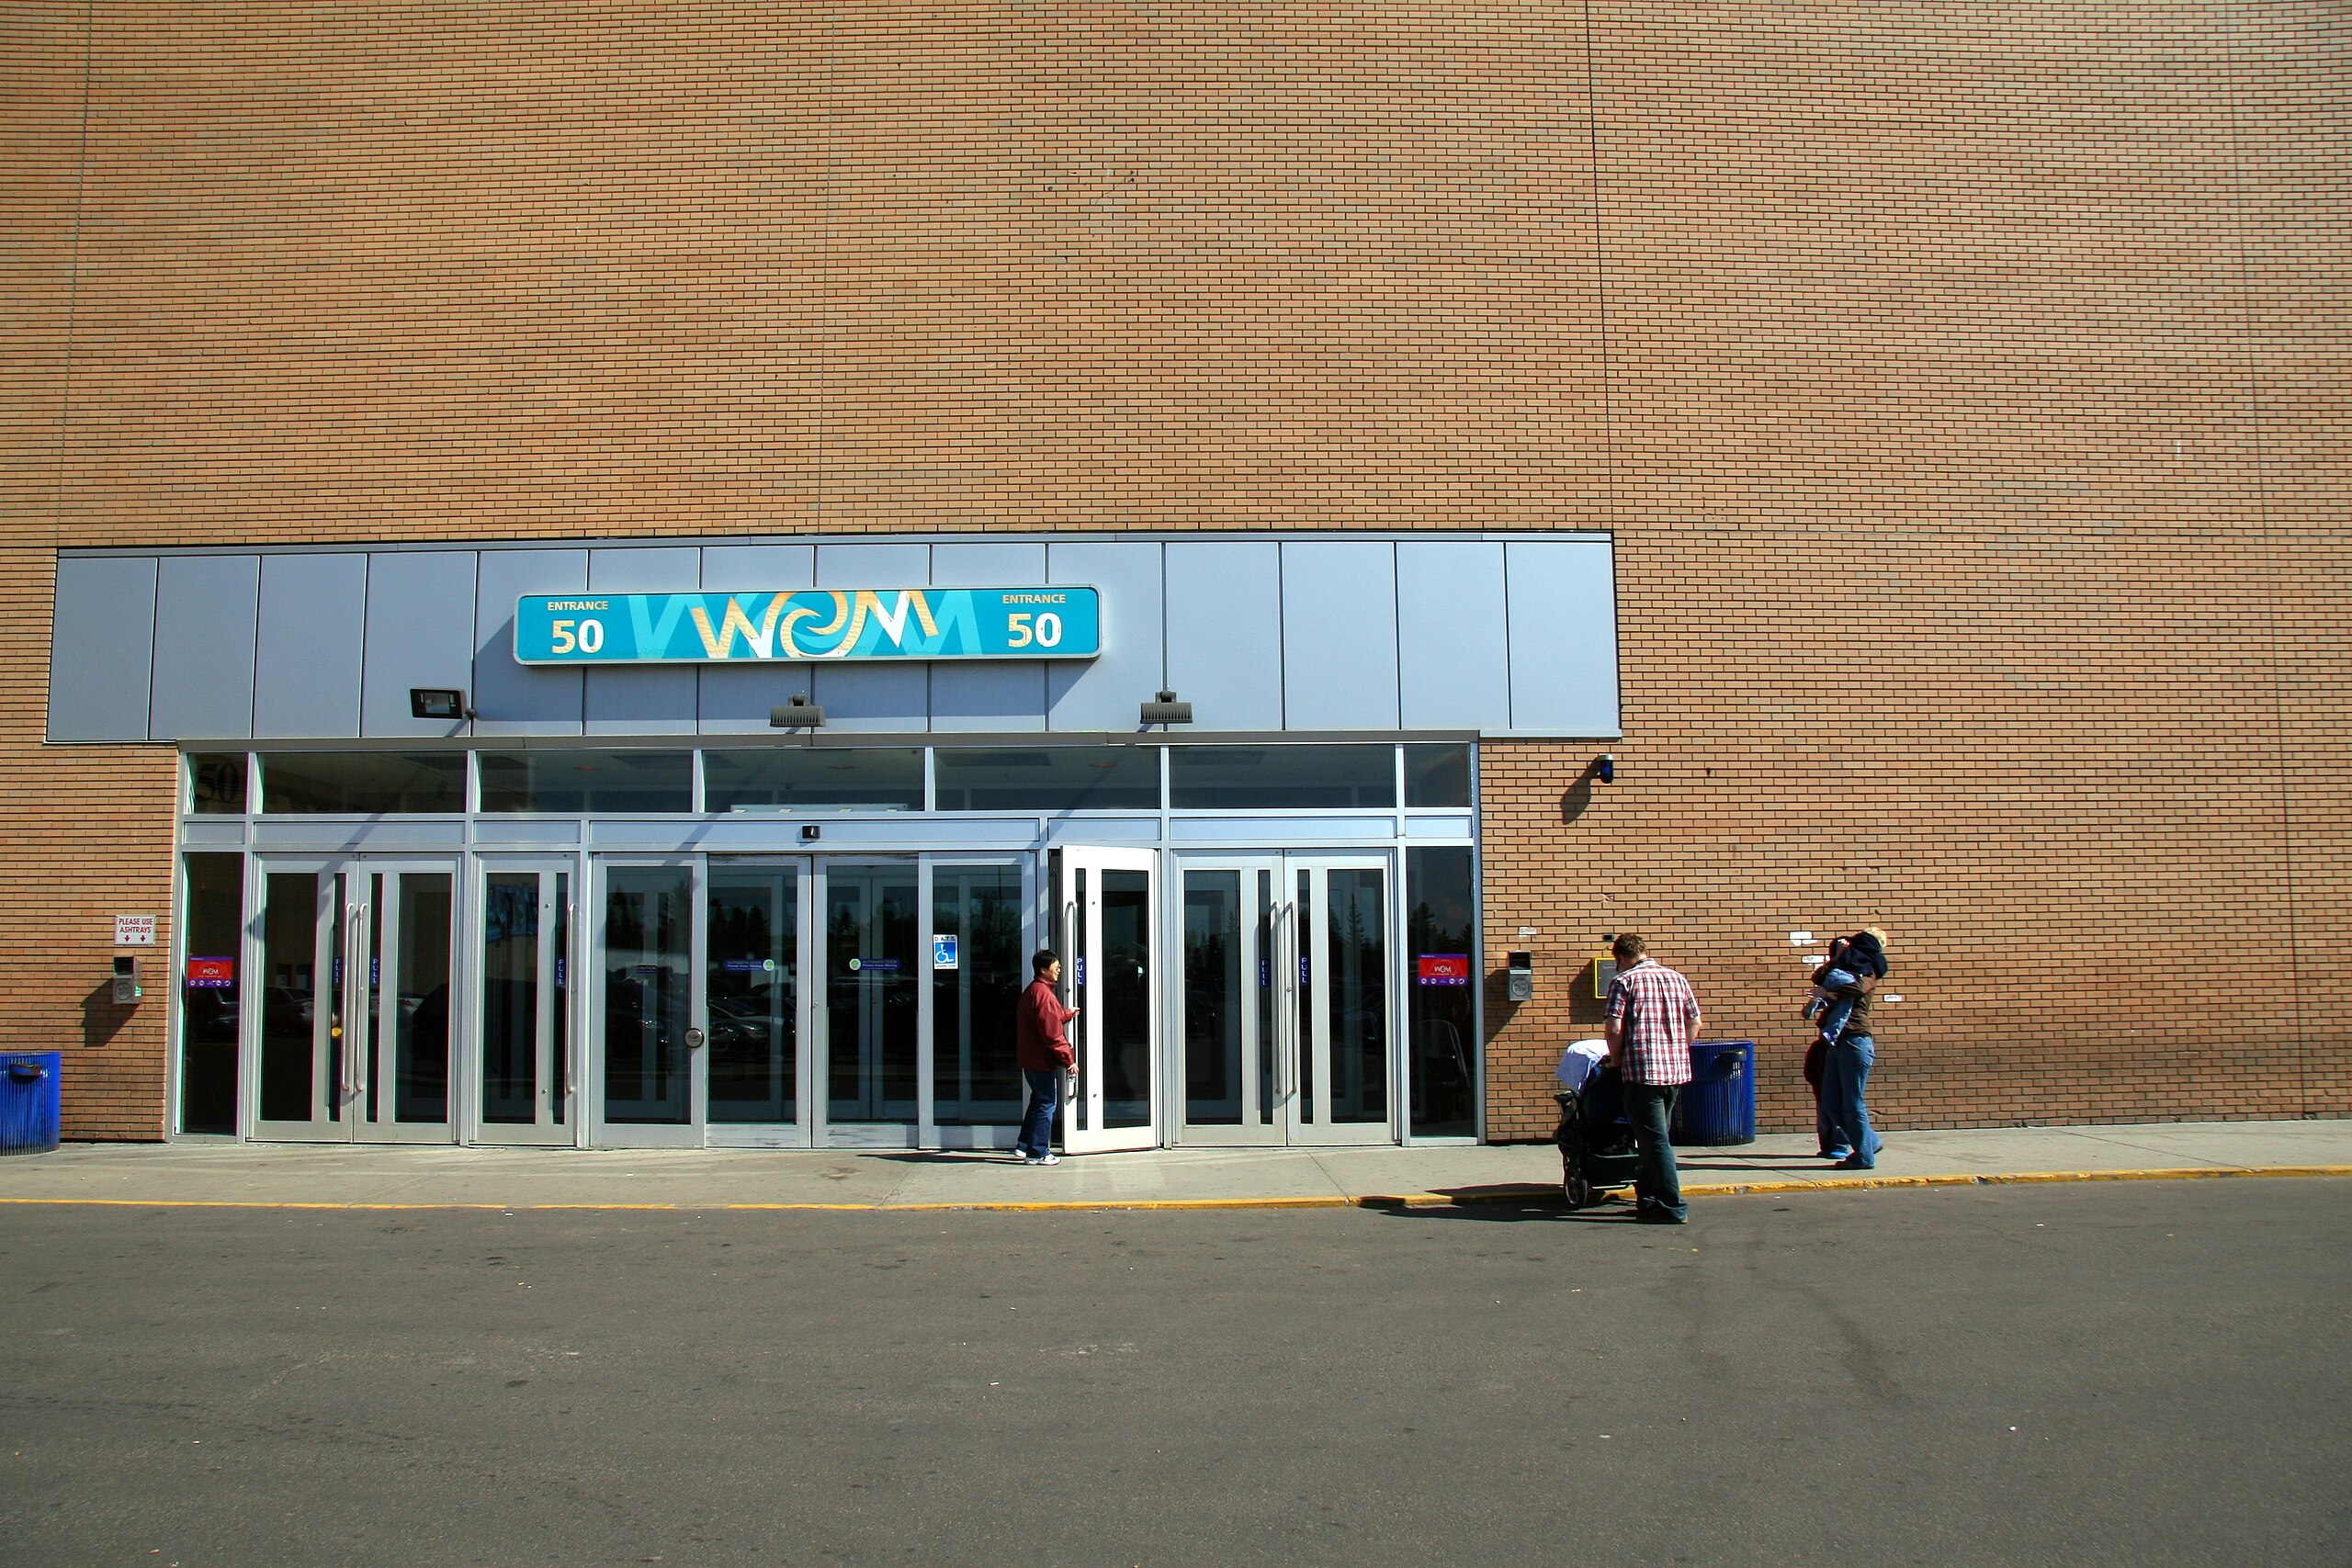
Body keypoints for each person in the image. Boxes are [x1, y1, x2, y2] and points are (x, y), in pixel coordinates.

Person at [1600, 932, 1703, 1224]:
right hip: (1675, 1073)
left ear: (1619, 956)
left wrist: (1616, 1059)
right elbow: (1695, 1022)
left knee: (1655, 1142)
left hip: (1642, 1072)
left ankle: (1673, 1206)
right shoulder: (1676, 978)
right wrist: (1678, 1050)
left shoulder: (1623, 982)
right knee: (1652, 1139)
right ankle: (1648, 1199)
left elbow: (1614, 1028)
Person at [1012, 948, 1079, 1166]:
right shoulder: (1044, 995)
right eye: (1056, 967)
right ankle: (1038, 1152)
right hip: (1040, 1060)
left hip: (1030, 1059)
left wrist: (1067, 1013)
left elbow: (1049, 1018)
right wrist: (1069, 1060)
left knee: (1038, 1101)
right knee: (1046, 1104)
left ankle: (1024, 1146)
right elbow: (1052, 1034)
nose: (1059, 970)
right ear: (1043, 969)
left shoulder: (1034, 991)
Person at [1820, 964, 1886, 1170]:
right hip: (1836, 1042)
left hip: (1856, 1040)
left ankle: (1864, 1156)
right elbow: (1819, 977)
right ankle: (1870, 1141)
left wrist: (1829, 993)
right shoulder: (1838, 973)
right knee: (1830, 1103)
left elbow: (1856, 989)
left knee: (1852, 1103)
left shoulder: (1869, 973)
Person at [1802, 928, 1888, 1047]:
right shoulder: (1872, 961)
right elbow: (1860, 988)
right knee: (1843, 1008)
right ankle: (1830, 1034)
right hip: (1853, 1028)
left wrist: (1836, 957)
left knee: (1826, 997)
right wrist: (1829, 994)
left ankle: (1817, 1003)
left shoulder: (1847, 946)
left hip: (1834, 973)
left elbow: (1817, 978)